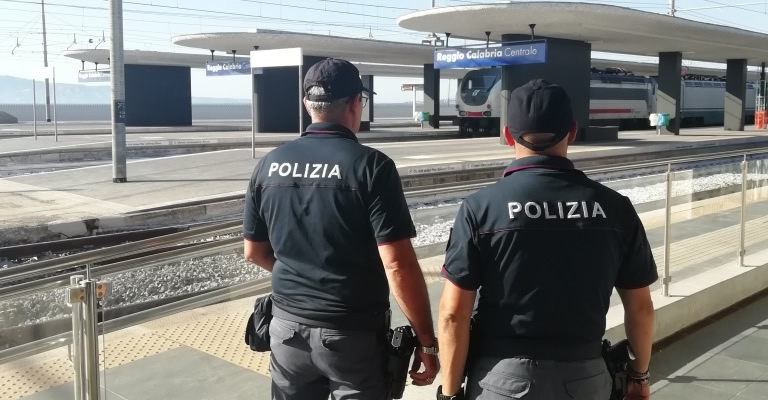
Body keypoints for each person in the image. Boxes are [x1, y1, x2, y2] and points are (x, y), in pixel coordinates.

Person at [435, 79, 657, 400]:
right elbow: (641, 308)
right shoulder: (615, 208)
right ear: (573, 131)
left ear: (508, 134)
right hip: (587, 376)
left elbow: (453, 313)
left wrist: (450, 393)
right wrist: (639, 376)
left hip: (499, 380)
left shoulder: (480, 209)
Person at [242, 58, 439, 400]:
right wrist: (426, 341)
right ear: (354, 104)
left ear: (307, 104)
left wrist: (304, 274)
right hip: (353, 336)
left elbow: (254, 252)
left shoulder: (269, 165)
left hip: (286, 328)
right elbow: (397, 265)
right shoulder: (371, 167)